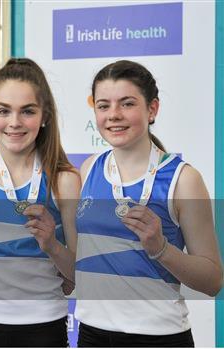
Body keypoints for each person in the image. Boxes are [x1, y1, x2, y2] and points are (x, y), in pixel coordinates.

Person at [75, 60, 223, 347]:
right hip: (91, 333)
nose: (113, 115)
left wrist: (161, 248)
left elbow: (213, 281)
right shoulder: (89, 168)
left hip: (159, 336)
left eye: (127, 104)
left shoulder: (183, 179)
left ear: (152, 109)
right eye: (103, 106)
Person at [0, 58, 80, 347]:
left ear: (45, 116)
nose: (14, 122)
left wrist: (51, 245)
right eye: (3, 111)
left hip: (44, 326)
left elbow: (80, 273)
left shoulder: (64, 180)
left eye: (27, 111)